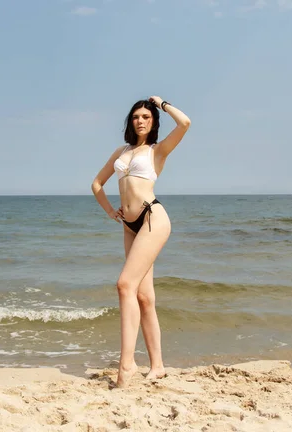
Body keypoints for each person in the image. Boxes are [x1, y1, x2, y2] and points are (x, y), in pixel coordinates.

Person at [91, 96, 191, 388]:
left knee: (124, 285)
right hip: (129, 226)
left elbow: (185, 123)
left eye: (146, 117)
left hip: (152, 219)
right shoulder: (121, 152)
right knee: (144, 297)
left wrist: (162, 103)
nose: (141, 121)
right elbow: (97, 183)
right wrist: (111, 211)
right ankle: (157, 366)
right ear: (130, 121)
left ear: (154, 122)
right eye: (136, 116)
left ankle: (126, 365)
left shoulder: (158, 151)